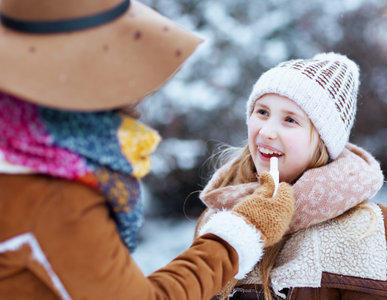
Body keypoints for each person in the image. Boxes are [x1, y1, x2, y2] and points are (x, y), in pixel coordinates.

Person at [0, 1, 297, 299]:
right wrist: (241, 234)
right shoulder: (54, 195)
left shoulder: (22, 145)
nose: (140, 96)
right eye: (122, 68)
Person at [195, 53, 387, 299]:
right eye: (262, 112)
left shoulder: (362, 227)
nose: (267, 131)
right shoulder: (219, 215)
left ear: (322, 142)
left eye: (290, 119)